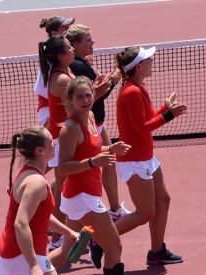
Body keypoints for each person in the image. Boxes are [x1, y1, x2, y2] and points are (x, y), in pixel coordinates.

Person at [114, 46, 188, 265]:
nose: (152, 62)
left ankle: (156, 251)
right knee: (145, 212)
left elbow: (148, 117)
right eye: (148, 60)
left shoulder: (140, 86)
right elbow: (142, 126)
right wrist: (169, 115)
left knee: (163, 200)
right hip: (133, 160)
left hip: (146, 156)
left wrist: (166, 107)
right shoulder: (131, 92)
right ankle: (100, 239)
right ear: (138, 66)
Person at [49, 76, 130, 275]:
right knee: (114, 247)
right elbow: (63, 168)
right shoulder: (70, 129)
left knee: (67, 251)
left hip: (82, 195)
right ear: (70, 100)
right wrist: (93, 162)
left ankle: (27, 272)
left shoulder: (91, 116)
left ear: (94, 95)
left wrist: (111, 147)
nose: (85, 100)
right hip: (81, 197)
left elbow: (90, 148)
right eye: (79, 97)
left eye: (88, 95)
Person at [65, 24, 130, 221]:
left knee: (110, 161)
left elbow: (96, 88)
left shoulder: (83, 62)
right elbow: (96, 94)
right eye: (88, 40)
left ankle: (115, 209)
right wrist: (115, 78)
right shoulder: (79, 66)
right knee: (65, 173)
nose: (93, 42)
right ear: (75, 44)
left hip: (96, 121)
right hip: (90, 123)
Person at [0, 126, 79, 275]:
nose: (55, 143)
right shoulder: (36, 182)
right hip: (22, 257)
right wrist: (33, 265)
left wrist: (68, 231)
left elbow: (41, 214)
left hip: (15, 254)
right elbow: (20, 224)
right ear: (40, 151)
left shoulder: (28, 172)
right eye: (51, 142)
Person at [38, 35, 75, 251]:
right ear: (61, 55)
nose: (72, 49)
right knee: (62, 189)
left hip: (61, 136)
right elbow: (76, 110)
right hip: (62, 140)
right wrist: (98, 92)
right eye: (69, 47)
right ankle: (55, 241)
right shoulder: (63, 80)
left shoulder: (64, 73)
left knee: (62, 185)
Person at [34, 16, 75, 126]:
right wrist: (57, 98)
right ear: (54, 33)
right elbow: (39, 87)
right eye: (65, 29)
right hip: (48, 110)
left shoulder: (61, 57)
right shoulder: (50, 56)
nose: (69, 31)